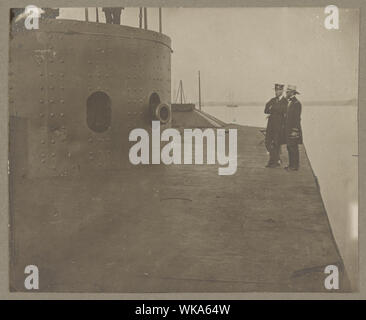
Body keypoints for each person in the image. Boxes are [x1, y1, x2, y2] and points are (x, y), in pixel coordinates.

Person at [264, 83, 287, 168]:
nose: (276, 92)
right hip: (270, 125)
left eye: (278, 90)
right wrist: (273, 109)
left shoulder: (285, 101)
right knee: (267, 142)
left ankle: (273, 161)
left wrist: (273, 109)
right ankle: (276, 159)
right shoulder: (272, 100)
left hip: (279, 126)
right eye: (276, 90)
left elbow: (283, 111)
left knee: (276, 143)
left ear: (282, 91)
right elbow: (266, 110)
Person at [284, 85, 303, 171]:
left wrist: (295, 131)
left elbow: (297, 118)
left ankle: (295, 166)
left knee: (293, 147)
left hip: (293, 130)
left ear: (292, 92)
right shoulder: (289, 102)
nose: (286, 93)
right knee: (289, 147)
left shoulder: (297, 103)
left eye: (288, 91)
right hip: (288, 129)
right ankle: (291, 165)